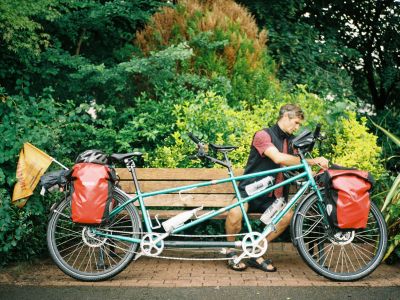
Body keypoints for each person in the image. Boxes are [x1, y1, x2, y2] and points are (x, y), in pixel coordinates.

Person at [225, 104, 329, 271]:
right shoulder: (262, 135)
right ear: (285, 117)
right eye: (295, 123)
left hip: (273, 197)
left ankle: (253, 252)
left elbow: (297, 163)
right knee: (235, 213)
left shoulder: (293, 141)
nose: (296, 127)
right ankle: (230, 251)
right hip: (250, 192)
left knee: (287, 216)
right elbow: (278, 157)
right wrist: (312, 161)